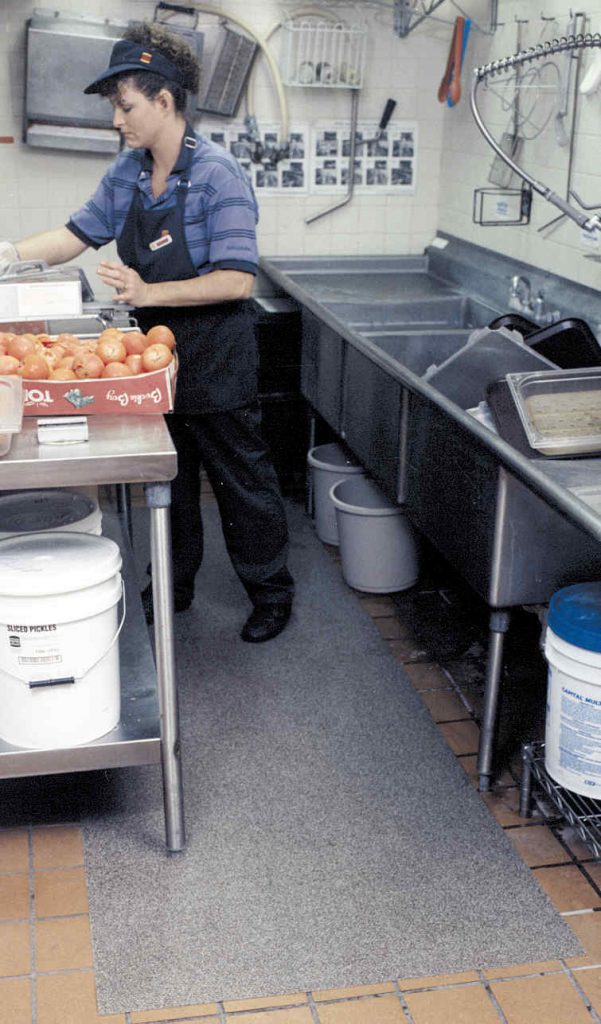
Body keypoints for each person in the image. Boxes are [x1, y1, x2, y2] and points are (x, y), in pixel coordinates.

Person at [1, 22, 294, 643]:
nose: (117, 119)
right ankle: (173, 584)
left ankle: (271, 592)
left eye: (125, 105)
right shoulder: (129, 173)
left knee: (242, 481)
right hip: (151, 359)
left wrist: (146, 293)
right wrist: (6, 254)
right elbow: (74, 235)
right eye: (114, 106)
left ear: (164, 101)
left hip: (216, 351)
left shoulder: (218, 176)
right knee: (172, 476)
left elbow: (237, 280)